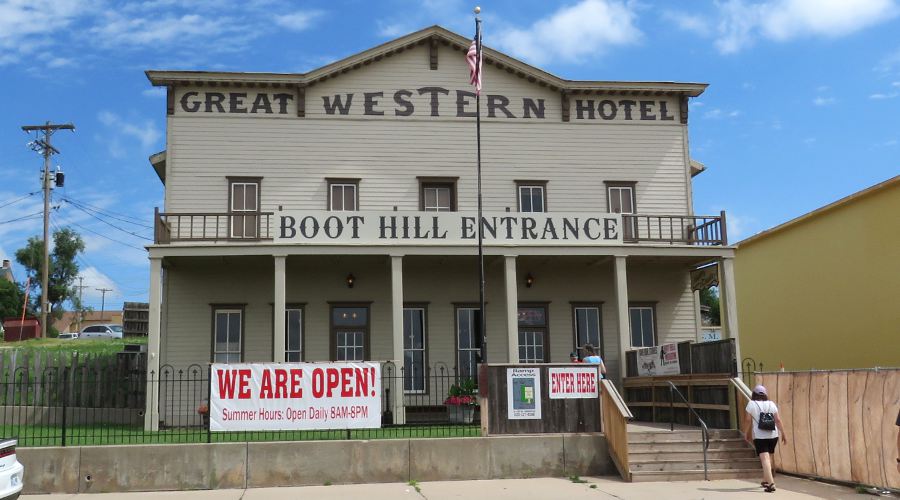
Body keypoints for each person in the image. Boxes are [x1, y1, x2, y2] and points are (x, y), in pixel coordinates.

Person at [744, 385, 787, 493]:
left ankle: (771, 484)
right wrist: (784, 433)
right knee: (768, 457)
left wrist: (746, 433)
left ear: (754, 394)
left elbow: (748, 420)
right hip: (773, 435)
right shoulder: (771, 404)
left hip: (760, 436)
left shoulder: (751, 404)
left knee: (765, 459)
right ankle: (765, 480)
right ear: (765, 394)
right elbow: (777, 420)